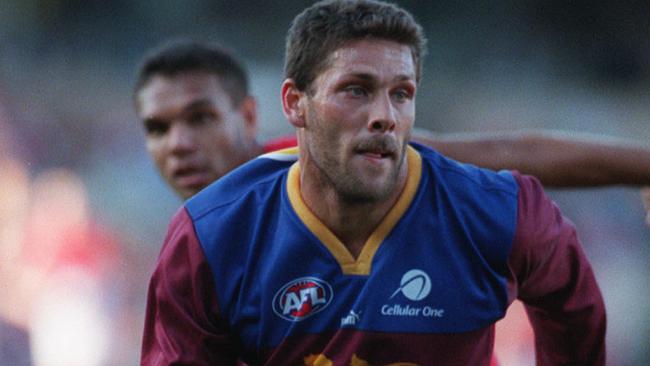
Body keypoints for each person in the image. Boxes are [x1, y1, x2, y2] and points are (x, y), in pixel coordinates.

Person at [141, 0, 606, 364]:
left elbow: (573, 311)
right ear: (294, 103)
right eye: (356, 90)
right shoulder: (209, 235)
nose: (384, 116)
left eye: (401, 94)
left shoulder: (500, 213)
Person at [133, 40, 650, 202]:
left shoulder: (315, 165)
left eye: (200, 118)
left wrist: (641, 166)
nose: (179, 144)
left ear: (249, 114)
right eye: (158, 128)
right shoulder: (199, 239)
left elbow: (505, 156)